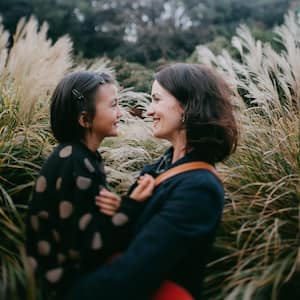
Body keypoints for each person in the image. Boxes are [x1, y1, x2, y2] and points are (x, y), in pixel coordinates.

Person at [67, 63, 239, 300]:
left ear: (188, 106)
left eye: (156, 99)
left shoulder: (199, 188)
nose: (148, 111)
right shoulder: (158, 168)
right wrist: (126, 208)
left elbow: (136, 272)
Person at [25, 71, 154, 298]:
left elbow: (83, 224)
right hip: (67, 288)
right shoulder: (75, 163)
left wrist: (115, 209)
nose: (120, 112)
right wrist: (130, 207)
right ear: (85, 119)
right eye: (113, 105)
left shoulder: (79, 157)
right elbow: (90, 247)